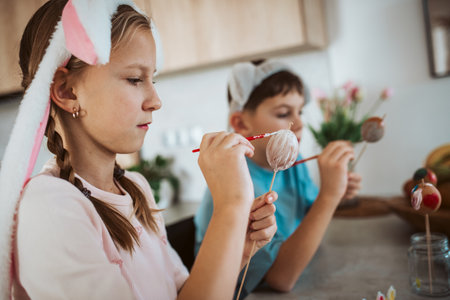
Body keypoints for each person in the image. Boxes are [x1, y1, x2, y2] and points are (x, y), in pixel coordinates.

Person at [0, 1, 278, 299]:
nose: (156, 100)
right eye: (134, 79)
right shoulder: (50, 208)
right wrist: (231, 206)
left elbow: (183, 293)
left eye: (152, 79)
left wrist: (238, 246)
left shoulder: (136, 188)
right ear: (67, 92)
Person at [194, 59, 362, 298]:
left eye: (300, 111)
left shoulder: (293, 163)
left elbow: (310, 214)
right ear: (240, 123)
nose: (300, 123)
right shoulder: (233, 185)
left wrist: (337, 191)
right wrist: (329, 196)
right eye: (284, 113)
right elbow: (280, 279)